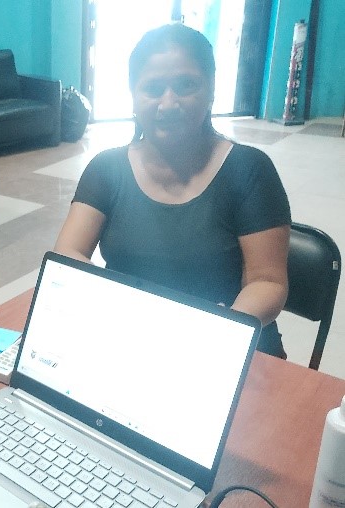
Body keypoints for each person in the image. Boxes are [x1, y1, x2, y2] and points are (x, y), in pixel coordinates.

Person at [54, 23, 291, 358]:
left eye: (185, 85)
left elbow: (268, 282)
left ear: (211, 90)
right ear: (133, 96)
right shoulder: (106, 169)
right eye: (153, 88)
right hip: (134, 341)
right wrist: (118, 310)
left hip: (229, 347)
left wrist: (220, 330)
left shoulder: (249, 170)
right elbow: (68, 252)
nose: (168, 103)